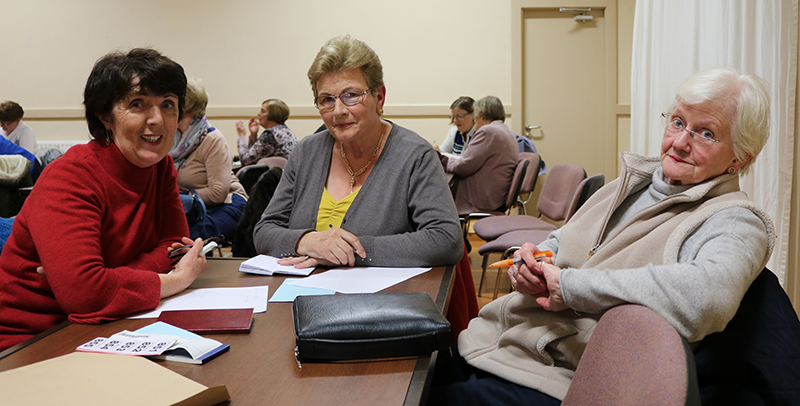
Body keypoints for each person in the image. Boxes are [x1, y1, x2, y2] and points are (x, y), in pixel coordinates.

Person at [429, 67, 775, 405]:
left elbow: (706, 298)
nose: (680, 142)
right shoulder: (633, 182)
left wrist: (571, 287)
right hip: (496, 342)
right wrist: (532, 259)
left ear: (740, 157)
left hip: (558, 377)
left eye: (706, 134)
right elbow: (565, 239)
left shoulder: (735, 221)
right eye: (678, 122)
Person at [0, 48, 207, 352]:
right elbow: (84, 295)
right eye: (137, 105)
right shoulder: (69, 176)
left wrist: (107, 275)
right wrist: (175, 280)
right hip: (32, 342)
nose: (158, 120)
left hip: (115, 325)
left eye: (168, 105)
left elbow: (175, 246)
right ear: (104, 116)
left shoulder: (159, 166)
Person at [253, 35, 463, 268]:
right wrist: (306, 240)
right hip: (297, 296)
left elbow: (446, 240)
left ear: (379, 97)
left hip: (380, 300)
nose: (338, 110)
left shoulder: (415, 156)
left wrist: (347, 251)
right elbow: (263, 232)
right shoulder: (306, 152)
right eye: (327, 100)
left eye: (351, 95)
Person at [170, 77, 247, 242]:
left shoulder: (211, 138)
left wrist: (176, 198)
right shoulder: (171, 137)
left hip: (228, 203)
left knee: (190, 237)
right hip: (189, 206)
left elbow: (217, 193)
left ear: (186, 105)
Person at [440, 96, 519, 215]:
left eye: (475, 118)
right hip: (495, 194)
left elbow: (464, 166)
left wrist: (441, 159)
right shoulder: (504, 130)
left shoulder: (488, 131)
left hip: (484, 198)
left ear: (481, 117)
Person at [236, 98, 298, 166]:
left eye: (263, 111)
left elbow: (246, 161)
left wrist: (241, 136)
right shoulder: (286, 131)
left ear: (273, 114)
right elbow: (253, 157)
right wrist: (253, 135)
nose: (258, 114)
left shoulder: (270, 135)